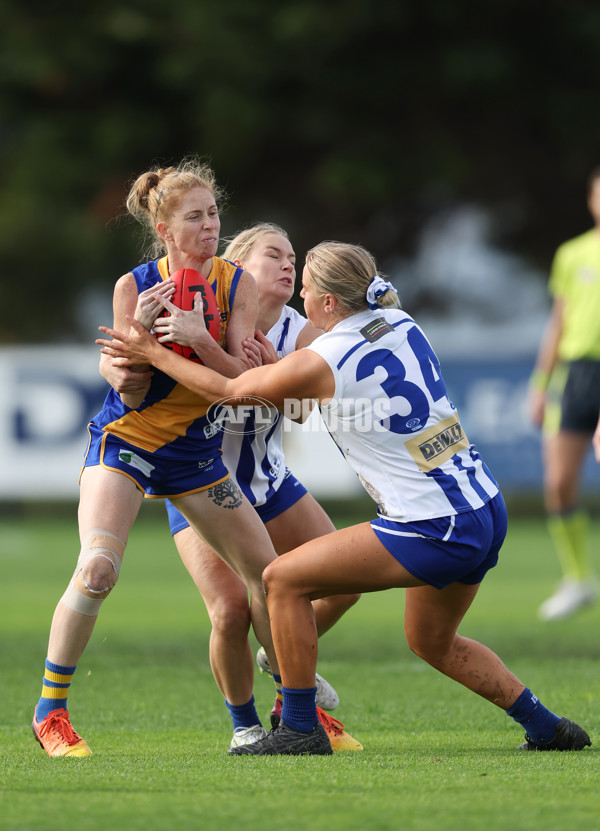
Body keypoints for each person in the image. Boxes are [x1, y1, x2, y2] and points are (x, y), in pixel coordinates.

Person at [98, 240, 592, 757]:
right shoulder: (401, 322)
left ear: (330, 303)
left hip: (434, 523)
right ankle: (547, 727)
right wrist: (267, 369)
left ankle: (300, 728)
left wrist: (154, 352)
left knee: (280, 580)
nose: (301, 292)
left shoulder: (327, 355)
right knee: (431, 640)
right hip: (484, 507)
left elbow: (231, 393)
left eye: (308, 286)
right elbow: (288, 397)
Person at [32, 159, 285, 758]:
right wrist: (135, 349)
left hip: (196, 452)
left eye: (214, 213)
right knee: (98, 569)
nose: (209, 226)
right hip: (127, 442)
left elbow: (243, 382)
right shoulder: (135, 286)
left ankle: (290, 713)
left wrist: (196, 336)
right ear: (165, 232)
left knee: (271, 580)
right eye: (194, 217)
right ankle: (51, 713)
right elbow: (132, 393)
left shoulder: (235, 284)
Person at [100, 222, 361, 751]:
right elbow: (132, 362)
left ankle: (284, 674)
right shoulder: (203, 314)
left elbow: (305, 411)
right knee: (230, 609)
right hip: (198, 483)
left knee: (345, 583)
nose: (290, 265)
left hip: (268, 481)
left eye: (294, 257)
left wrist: (280, 374)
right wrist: (115, 365)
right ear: (239, 264)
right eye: (275, 255)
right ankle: (246, 725)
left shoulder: (301, 333)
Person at [528, 168, 600, 621]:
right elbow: (558, 321)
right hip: (575, 374)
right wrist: (540, 384)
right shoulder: (572, 253)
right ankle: (577, 579)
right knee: (558, 484)